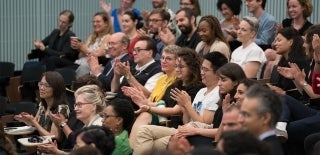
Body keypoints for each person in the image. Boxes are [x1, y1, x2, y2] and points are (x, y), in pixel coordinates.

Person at [132, 52, 228, 155]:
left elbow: (204, 124)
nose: (202, 72)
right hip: (186, 129)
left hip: (197, 134)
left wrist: (187, 104)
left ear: (217, 72)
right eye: (202, 69)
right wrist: (184, 108)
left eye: (206, 70)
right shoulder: (201, 91)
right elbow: (186, 121)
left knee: (146, 136)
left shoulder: (217, 93)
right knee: (145, 134)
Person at [122, 45, 179, 147]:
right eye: (162, 58)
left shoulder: (177, 80)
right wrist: (140, 99)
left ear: (177, 62)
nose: (164, 61)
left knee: (145, 115)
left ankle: (130, 149)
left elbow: (165, 104)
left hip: (165, 116)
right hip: (154, 110)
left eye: (168, 59)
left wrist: (145, 103)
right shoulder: (162, 78)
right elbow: (150, 97)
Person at [37, 84, 106, 154]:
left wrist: (57, 152)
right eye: (75, 105)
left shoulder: (97, 128)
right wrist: (56, 151)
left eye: (80, 105)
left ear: (93, 106)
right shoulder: (88, 126)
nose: (75, 109)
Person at [14, 71, 70, 140]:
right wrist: (27, 120)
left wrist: (33, 122)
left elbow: (54, 137)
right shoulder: (42, 105)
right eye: (41, 84)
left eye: (46, 85)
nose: (41, 88)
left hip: (53, 148)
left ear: (56, 88)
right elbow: (36, 124)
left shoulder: (61, 108)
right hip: (41, 147)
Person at [110, 36, 162, 106]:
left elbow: (147, 95)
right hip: (118, 104)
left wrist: (128, 76)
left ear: (150, 53)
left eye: (138, 50)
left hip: (135, 108)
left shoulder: (157, 70)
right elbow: (114, 89)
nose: (134, 53)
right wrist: (116, 76)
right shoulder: (132, 67)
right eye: (134, 50)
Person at [239, 84, 284, 155]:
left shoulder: (266, 151)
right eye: (241, 114)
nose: (240, 120)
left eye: (246, 115)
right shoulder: (258, 146)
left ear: (265, 118)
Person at [268, 27, 309, 100]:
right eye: (275, 40)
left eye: (279, 40)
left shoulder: (298, 62)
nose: (275, 44)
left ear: (290, 42)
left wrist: (283, 92)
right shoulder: (283, 60)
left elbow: (301, 91)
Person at [71, 12, 113, 78]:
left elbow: (99, 56)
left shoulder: (108, 37)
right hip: (82, 62)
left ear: (106, 24)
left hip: (95, 65)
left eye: (98, 22)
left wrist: (84, 49)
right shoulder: (91, 36)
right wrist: (78, 47)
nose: (95, 24)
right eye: (93, 22)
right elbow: (80, 56)